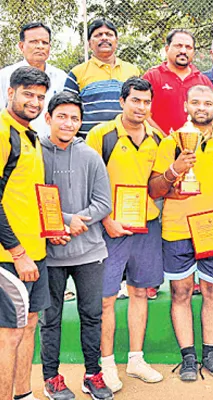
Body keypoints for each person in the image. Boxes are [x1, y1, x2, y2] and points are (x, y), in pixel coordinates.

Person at [148, 85, 213, 382]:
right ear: (186, 106)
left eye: (208, 102)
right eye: (196, 102)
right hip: (176, 228)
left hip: (212, 230)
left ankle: (210, 353)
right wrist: (174, 170)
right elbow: (154, 189)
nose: (202, 107)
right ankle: (188, 356)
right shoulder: (170, 143)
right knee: (181, 291)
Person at [85, 77, 164, 392]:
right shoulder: (100, 135)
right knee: (105, 299)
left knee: (140, 292)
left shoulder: (158, 138)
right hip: (110, 228)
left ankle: (136, 359)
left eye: (147, 102)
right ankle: (106, 364)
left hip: (146, 225)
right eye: (136, 100)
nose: (141, 107)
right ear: (122, 101)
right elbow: (88, 183)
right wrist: (106, 221)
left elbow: (157, 185)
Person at [39, 92, 113, 400]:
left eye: (74, 118)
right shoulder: (34, 153)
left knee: (92, 314)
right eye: (62, 116)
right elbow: (33, 198)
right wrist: (69, 219)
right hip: (50, 253)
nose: (68, 123)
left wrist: (78, 220)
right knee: (50, 319)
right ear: (48, 118)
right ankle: (51, 377)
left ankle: (92, 374)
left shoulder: (90, 156)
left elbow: (104, 203)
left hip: (90, 252)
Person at [0, 66, 58, 400]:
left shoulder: (30, 135)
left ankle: (24, 394)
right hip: (9, 256)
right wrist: (17, 252)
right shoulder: (3, 130)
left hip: (36, 251)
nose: (34, 102)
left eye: (40, 96)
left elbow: (27, 195)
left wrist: (51, 229)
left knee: (30, 324)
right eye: (28, 94)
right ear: (11, 93)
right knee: (8, 334)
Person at [64, 18, 140, 138]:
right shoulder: (77, 73)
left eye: (109, 34)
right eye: (98, 35)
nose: (104, 37)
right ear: (89, 43)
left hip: (127, 141)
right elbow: (67, 110)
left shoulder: (132, 71)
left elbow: (140, 106)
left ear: (116, 41)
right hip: (88, 144)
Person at [0, 22, 67, 138]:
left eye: (45, 43)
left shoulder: (61, 77)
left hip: (52, 145)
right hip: (14, 146)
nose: (40, 46)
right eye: (34, 42)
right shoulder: (5, 76)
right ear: (21, 46)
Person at [143, 29, 212, 136]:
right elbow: (144, 113)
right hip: (159, 145)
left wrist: (199, 141)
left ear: (193, 52)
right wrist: (164, 140)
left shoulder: (203, 81)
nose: (183, 51)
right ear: (167, 49)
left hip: (195, 148)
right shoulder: (152, 76)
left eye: (188, 47)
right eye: (178, 46)